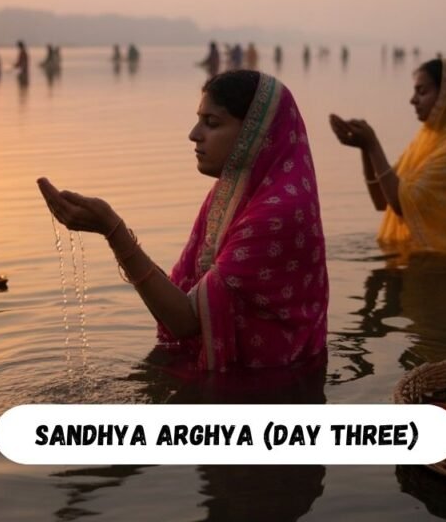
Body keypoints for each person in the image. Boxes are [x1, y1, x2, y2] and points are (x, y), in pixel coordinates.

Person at [38, 70, 328, 372]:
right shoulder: (232, 196)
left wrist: (113, 230)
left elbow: (185, 321)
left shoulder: (277, 212)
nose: (194, 134)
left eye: (212, 123)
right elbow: (179, 300)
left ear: (255, 133)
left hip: (273, 387)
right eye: (199, 119)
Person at [329, 59, 446, 255]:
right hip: (430, 257)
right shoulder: (428, 141)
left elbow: (399, 203)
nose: (413, 100)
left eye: (422, 92)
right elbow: (382, 200)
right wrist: (365, 149)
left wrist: (373, 145)